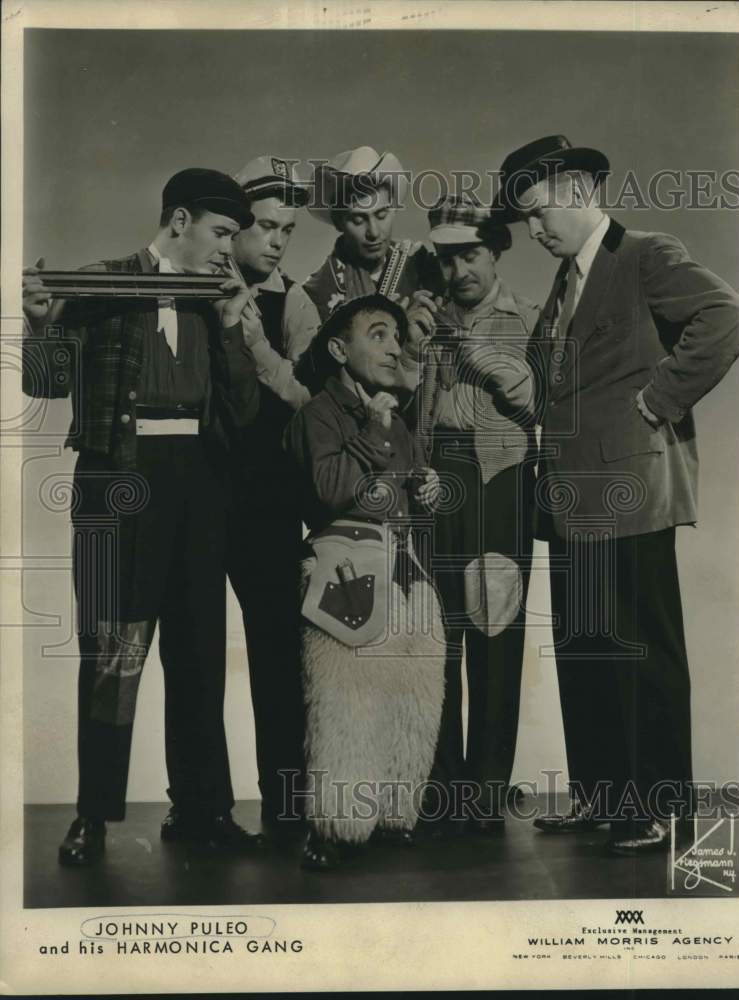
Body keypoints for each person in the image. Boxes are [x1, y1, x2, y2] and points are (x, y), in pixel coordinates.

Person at [494, 135, 739, 854]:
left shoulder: (644, 255)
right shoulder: (564, 283)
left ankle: (659, 808)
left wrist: (656, 401)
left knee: (643, 651)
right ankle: (602, 799)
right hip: (571, 499)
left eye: (538, 214)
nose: (533, 231)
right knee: (586, 649)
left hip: (631, 486)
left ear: (576, 189)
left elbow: (722, 317)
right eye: (525, 221)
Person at [22, 168, 265, 865]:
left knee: (197, 654)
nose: (228, 250)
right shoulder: (101, 281)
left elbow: (243, 414)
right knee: (110, 653)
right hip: (113, 483)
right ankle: (93, 818)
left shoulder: (218, 302)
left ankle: (202, 809)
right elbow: (45, 383)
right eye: (221, 234)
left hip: (199, 487)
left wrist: (228, 330)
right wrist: (40, 326)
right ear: (179, 220)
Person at [284, 294, 446, 870]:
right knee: (345, 701)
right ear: (338, 349)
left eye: (396, 336)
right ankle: (336, 823)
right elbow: (330, 489)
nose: (393, 346)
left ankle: (394, 813)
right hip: (346, 570)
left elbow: (404, 492)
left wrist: (424, 489)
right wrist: (378, 433)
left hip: (403, 570)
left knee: (411, 697)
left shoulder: (396, 418)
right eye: (377, 334)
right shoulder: (317, 415)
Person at [400, 194, 540, 835]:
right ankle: (441, 787)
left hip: (501, 483)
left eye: (472, 255)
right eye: (449, 259)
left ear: (497, 252)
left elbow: (536, 400)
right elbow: (398, 396)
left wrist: (473, 348)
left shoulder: (529, 318)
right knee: (438, 636)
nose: (460, 272)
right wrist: (410, 336)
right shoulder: (424, 317)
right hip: (435, 479)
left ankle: (486, 790)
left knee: (495, 630)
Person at [226, 155, 320, 839]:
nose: (278, 240)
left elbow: (306, 395)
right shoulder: (197, 287)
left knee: (275, 652)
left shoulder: (295, 302)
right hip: (199, 488)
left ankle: (285, 809)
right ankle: (199, 808)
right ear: (234, 228)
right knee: (195, 654)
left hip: (267, 498)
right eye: (265, 226)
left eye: (287, 228)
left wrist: (254, 340)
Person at [303, 146, 441, 322]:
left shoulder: (421, 263)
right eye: (358, 220)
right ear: (339, 222)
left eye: (382, 215)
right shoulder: (316, 293)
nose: (374, 233)